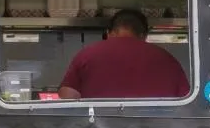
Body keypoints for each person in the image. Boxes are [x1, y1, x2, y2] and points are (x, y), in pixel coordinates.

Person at [58, 8, 190, 100]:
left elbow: (67, 96)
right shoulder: (166, 60)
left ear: (109, 33)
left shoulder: (86, 55)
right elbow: (186, 101)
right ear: (144, 35)